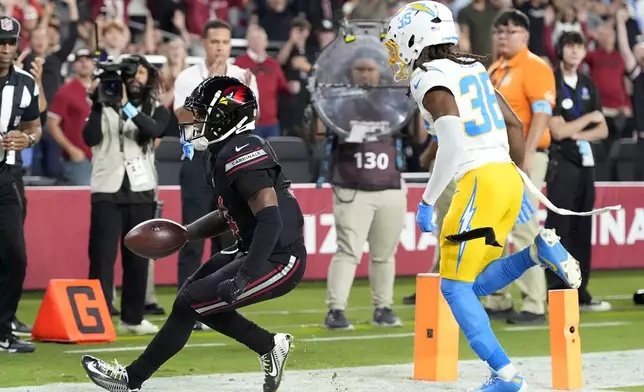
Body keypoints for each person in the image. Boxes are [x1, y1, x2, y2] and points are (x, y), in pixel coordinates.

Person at [385, 1, 616, 389]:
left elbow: (454, 145)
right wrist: (515, 174)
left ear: (415, 37)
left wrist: (427, 200)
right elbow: (513, 120)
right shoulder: (472, 66)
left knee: (453, 288)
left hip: (478, 180)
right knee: (470, 287)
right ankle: (535, 254)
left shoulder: (428, 75)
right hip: (504, 177)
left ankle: (505, 374)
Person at [81, 76, 307, 392]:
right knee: (190, 300)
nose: (196, 119)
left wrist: (243, 277)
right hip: (255, 247)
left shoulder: (244, 149)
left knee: (194, 301)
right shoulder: (220, 151)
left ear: (226, 117)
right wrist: (186, 233)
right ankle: (269, 345)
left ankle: (131, 380)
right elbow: (227, 213)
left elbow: (270, 221)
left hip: (280, 256)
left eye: (204, 113)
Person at [173, 19, 258, 330]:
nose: (220, 47)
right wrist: (214, 90)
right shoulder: (187, 77)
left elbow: (252, 118)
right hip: (198, 158)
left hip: (231, 158)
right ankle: (187, 305)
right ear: (204, 44)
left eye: (225, 41)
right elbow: (182, 115)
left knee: (231, 236)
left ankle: (221, 305)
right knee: (192, 234)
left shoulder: (242, 77)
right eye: (214, 42)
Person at [83, 55, 170, 334]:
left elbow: (154, 130)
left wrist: (126, 107)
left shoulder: (156, 108)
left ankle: (132, 318)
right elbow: (89, 137)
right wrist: (98, 103)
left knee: (137, 257)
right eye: (131, 74)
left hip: (141, 189)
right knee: (102, 257)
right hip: (107, 189)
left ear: (149, 77)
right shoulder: (101, 105)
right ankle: (97, 316)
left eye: (142, 73)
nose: (136, 79)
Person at [485, 9, 556, 324]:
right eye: (499, 30)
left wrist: (526, 155)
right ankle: (498, 298)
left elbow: (541, 114)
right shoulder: (495, 69)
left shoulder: (534, 66)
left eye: (511, 30)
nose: (503, 35)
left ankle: (534, 304)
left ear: (525, 36)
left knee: (524, 228)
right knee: (495, 228)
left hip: (526, 157)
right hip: (499, 159)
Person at [546, 31, 611, 312]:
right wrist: (587, 121)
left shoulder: (588, 84)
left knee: (584, 228)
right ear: (560, 51)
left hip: (587, 166)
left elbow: (604, 129)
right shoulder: (552, 82)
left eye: (579, 47)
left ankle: (580, 291)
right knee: (559, 228)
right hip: (562, 164)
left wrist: (578, 132)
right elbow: (557, 130)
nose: (574, 52)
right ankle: (554, 288)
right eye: (569, 47)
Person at [0, 16, 43, 353]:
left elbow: (35, 126)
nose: (4, 50)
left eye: (10, 43)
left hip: (5, 179)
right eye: (0, 43)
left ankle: (3, 329)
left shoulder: (26, 83)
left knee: (15, 255)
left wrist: (26, 140)